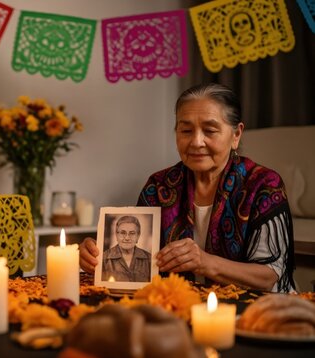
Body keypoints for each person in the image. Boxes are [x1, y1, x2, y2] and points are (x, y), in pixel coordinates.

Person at [79, 83, 295, 292]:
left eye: (209, 130)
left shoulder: (263, 186)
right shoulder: (159, 186)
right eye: (186, 130)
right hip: (179, 304)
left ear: (236, 134)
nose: (196, 142)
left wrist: (204, 262)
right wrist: (97, 256)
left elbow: (269, 275)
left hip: (256, 310)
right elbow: (139, 262)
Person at [101, 216, 151, 282]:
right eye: (122, 233)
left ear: (138, 236)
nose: (127, 238)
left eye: (132, 233)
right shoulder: (104, 258)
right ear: (116, 235)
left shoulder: (149, 258)